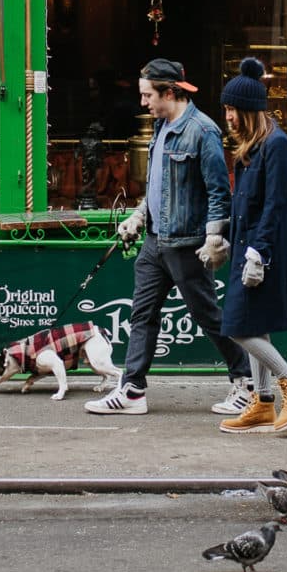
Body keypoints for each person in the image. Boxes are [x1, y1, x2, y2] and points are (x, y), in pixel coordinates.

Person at [85, 57, 255, 416]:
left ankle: (247, 382)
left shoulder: (202, 131)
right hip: (154, 241)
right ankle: (132, 390)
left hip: (187, 243)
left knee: (208, 314)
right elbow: (159, 187)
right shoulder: (161, 127)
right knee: (142, 314)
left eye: (148, 95)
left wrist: (213, 239)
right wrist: (137, 216)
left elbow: (219, 191)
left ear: (170, 92)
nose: (143, 102)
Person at [214, 58, 287, 434]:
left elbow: (275, 205)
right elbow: (245, 202)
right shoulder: (252, 148)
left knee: (238, 326)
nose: (227, 116)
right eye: (226, 108)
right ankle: (262, 404)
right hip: (248, 249)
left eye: (232, 110)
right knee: (255, 325)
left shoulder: (275, 146)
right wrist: (226, 239)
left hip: (265, 253)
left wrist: (258, 253)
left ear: (248, 111)